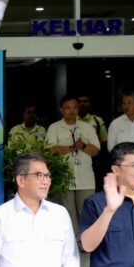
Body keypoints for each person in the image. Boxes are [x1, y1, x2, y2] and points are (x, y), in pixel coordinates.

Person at [45, 94, 101, 237]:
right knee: (68, 212)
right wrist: (71, 148)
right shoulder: (54, 127)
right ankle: (73, 242)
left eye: (75, 107)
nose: (71, 111)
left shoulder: (87, 127)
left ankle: (87, 241)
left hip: (85, 178)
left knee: (87, 211)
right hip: (65, 178)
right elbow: (49, 150)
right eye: (67, 108)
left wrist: (83, 146)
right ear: (61, 110)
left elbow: (96, 150)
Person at [78, 93, 109, 192]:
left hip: (94, 162)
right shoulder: (71, 120)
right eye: (80, 101)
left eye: (85, 101)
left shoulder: (97, 120)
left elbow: (104, 140)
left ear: (90, 103)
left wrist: (89, 147)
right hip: (76, 161)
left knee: (95, 188)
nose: (82, 104)